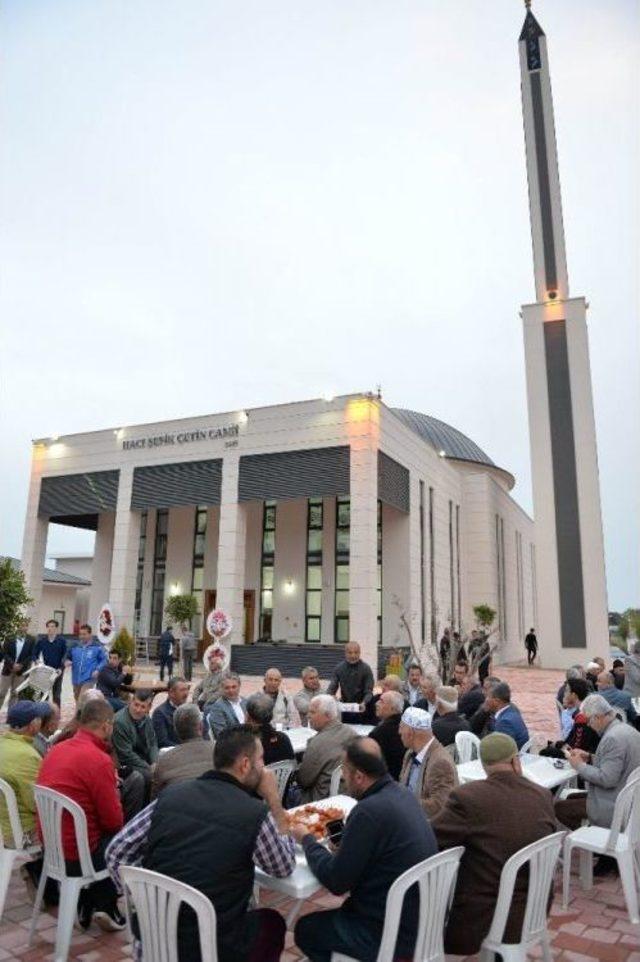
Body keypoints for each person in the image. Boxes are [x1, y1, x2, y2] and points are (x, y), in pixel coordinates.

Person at [107, 725, 295, 962]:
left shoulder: (171, 795)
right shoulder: (255, 814)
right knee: (273, 923)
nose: (264, 768)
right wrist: (274, 800)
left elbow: (116, 851)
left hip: (153, 939)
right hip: (211, 948)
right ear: (245, 765)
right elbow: (283, 867)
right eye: (261, 760)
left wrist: (143, 899)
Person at [293, 738, 437, 962]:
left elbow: (336, 882)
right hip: (423, 919)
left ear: (359, 776)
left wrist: (307, 840)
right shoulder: (402, 793)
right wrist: (348, 846)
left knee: (305, 929)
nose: (342, 777)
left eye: (345, 772)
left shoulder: (368, 811)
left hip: (387, 931)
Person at [432, 733, 556, 955]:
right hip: (537, 905)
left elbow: (432, 838)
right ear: (515, 761)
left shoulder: (468, 797)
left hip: (490, 915)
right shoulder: (543, 795)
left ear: (484, 765)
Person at [37, 698, 126, 930]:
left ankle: (88, 901)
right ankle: (105, 903)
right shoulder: (98, 760)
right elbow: (113, 822)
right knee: (125, 841)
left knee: (96, 832)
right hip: (78, 856)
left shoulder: (55, 750)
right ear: (106, 726)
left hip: (51, 849)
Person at [555, 694, 640, 837]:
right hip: (628, 798)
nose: (588, 725)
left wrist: (580, 766)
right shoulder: (628, 730)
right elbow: (616, 763)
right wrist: (589, 758)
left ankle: (593, 840)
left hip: (614, 805)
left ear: (598, 717)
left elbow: (607, 779)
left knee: (559, 808)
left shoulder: (612, 738)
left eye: (589, 720)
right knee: (570, 799)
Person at [0, 701, 48, 846]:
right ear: (33, 725)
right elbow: (37, 803)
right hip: (22, 832)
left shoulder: (3, 744)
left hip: (4, 826)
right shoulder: (27, 755)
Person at [398, 707, 457, 819]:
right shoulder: (410, 754)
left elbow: (440, 806)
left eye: (401, 727)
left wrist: (403, 805)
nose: (399, 732)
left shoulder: (440, 762)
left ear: (410, 732)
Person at [295, 695, 355, 801]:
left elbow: (304, 781)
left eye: (313, 712)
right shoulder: (352, 734)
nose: (308, 716)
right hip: (348, 796)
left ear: (327, 716)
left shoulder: (316, 743)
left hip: (320, 802)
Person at [151, 704, 214, 798]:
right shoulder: (220, 752)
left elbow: (155, 802)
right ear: (200, 727)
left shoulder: (164, 760)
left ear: (176, 731)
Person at [112, 689, 159, 802]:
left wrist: (154, 762)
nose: (138, 710)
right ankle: (143, 809)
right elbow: (125, 754)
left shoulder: (146, 719)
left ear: (149, 708)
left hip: (142, 757)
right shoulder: (120, 721)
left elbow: (152, 742)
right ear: (131, 702)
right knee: (149, 776)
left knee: (164, 770)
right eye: (136, 705)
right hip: (126, 762)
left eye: (143, 707)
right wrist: (148, 767)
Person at [540, 678, 600, 758]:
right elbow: (570, 740)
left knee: (544, 752)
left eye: (567, 691)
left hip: (583, 756)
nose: (564, 694)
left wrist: (557, 747)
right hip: (581, 750)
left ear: (574, 695)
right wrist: (557, 744)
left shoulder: (582, 717)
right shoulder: (582, 712)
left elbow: (576, 748)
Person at [326, 642, 374, 721]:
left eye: (356, 652)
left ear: (360, 653)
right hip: (345, 707)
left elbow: (369, 691)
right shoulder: (339, 668)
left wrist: (364, 702)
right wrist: (330, 697)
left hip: (362, 708)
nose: (353, 656)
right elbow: (332, 688)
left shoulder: (366, 669)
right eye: (350, 653)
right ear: (345, 653)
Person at [246, 692, 295, 765]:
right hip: (282, 775)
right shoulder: (283, 738)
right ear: (271, 715)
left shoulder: (246, 742)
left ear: (248, 716)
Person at [369, 690, 406, 779]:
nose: (376, 704)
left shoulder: (380, 733)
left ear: (392, 708)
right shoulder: (406, 725)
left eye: (381, 701)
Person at [0, 618, 36, 709]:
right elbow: (5, 653)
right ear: (18, 626)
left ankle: (11, 716)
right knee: (2, 692)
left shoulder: (31, 639)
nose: (23, 627)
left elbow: (31, 655)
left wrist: (21, 665)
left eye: (25, 625)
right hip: (8, 669)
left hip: (21, 671)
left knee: (15, 694)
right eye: (21, 625)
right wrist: (12, 664)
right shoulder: (9, 637)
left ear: (27, 627)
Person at [66, 624, 108, 701]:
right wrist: (67, 661)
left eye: (84, 634)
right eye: (80, 634)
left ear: (90, 635)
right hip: (76, 679)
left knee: (82, 699)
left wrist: (97, 670)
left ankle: (78, 713)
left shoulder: (97, 647)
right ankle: (82, 712)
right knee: (77, 699)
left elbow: (104, 660)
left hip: (89, 679)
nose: (81, 636)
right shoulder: (75, 647)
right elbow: (67, 657)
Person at [484, 680, 530, 749]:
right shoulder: (512, 710)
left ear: (496, 701)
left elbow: (502, 751)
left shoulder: (504, 722)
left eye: (488, 697)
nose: (485, 700)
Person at [33, 618, 67, 706]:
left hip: (57, 671)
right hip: (45, 671)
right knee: (44, 694)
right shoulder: (42, 641)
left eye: (52, 626)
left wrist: (61, 668)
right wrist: (36, 661)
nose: (50, 628)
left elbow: (65, 656)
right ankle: (44, 715)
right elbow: (34, 654)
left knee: (57, 695)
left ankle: (56, 715)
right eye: (48, 626)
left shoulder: (62, 641)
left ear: (56, 628)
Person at [152, 677, 190, 749]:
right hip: (174, 753)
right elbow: (162, 741)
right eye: (182, 690)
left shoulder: (190, 710)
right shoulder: (160, 713)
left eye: (187, 689)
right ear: (171, 693)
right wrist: (184, 748)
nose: (186, 693)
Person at [192, 646, 227, 711]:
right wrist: (195, 700)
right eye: (210, 663)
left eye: (212, 663)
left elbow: (219, 692)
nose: (209, 665)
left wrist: (208, 702)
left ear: (218, 665)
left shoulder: (223, 676)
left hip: (214, 703)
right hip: (203, 701)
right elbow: (198, 688)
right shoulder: (207, 676)